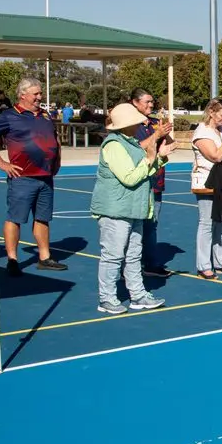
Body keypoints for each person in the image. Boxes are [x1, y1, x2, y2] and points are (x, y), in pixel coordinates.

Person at [91, 104, 172, 314]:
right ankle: (106, 298)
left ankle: (137, 295)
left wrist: (159, 158)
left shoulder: (133, 143)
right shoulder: (114, 145)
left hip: (135, 208)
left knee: (134, 254)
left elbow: (145, 171)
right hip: (116, 209)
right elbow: (130, 177)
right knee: (113, 255)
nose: (141, 123)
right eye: (137, 120)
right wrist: (151, 158)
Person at [0, 78, 66, 274]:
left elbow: (55, 139)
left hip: (45, 177)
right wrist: (2, 163)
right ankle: (12, 259)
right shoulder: (8, 116)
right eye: (36, 94)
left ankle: (44, 257)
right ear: (23, 95)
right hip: (22, 177)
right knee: (16, 218)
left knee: (43, 218)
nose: (40, 97)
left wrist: (57, 161)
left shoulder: (45, 116)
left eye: (40, 93)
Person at [191, 98, 222, 279]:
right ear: (211, 112)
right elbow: (216, 156)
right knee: (207, 223)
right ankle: (204, 265)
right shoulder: (202, 132)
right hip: (208, 182)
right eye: (221, 114)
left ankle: (221, 261)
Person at [129, 88, 173, 276]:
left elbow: (169, 145)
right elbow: (135, 149)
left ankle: (151, 263)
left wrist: (167, 134)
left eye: (152, 101)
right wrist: (155, 136)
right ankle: (131, 265)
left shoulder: (155, 123)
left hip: (156, 181)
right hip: (138, 181)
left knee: (152, 224)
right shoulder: (129, 125)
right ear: (134, 103)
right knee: (134, 227)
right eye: (146, 102)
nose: (151, 105)